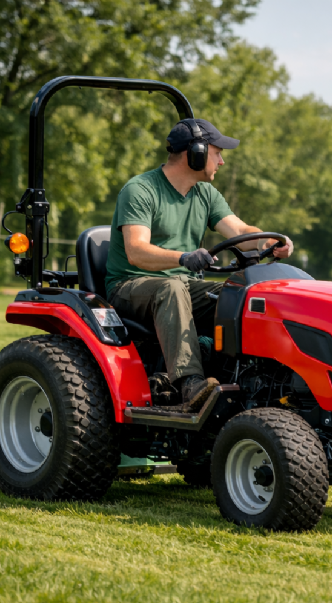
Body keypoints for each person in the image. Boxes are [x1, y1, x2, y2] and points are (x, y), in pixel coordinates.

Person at [105, 119, 293, 409]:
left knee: (238, 297)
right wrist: (183, 258)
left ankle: (256, 379)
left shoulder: (205, 193)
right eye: (217, 152)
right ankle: (190, 384)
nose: (222, 160)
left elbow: (241, 233)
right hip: (132, 285)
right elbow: (137, 251)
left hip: (183, 286)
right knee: (171, 289)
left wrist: (268, 243)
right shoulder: (141, 189)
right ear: (195, 152)